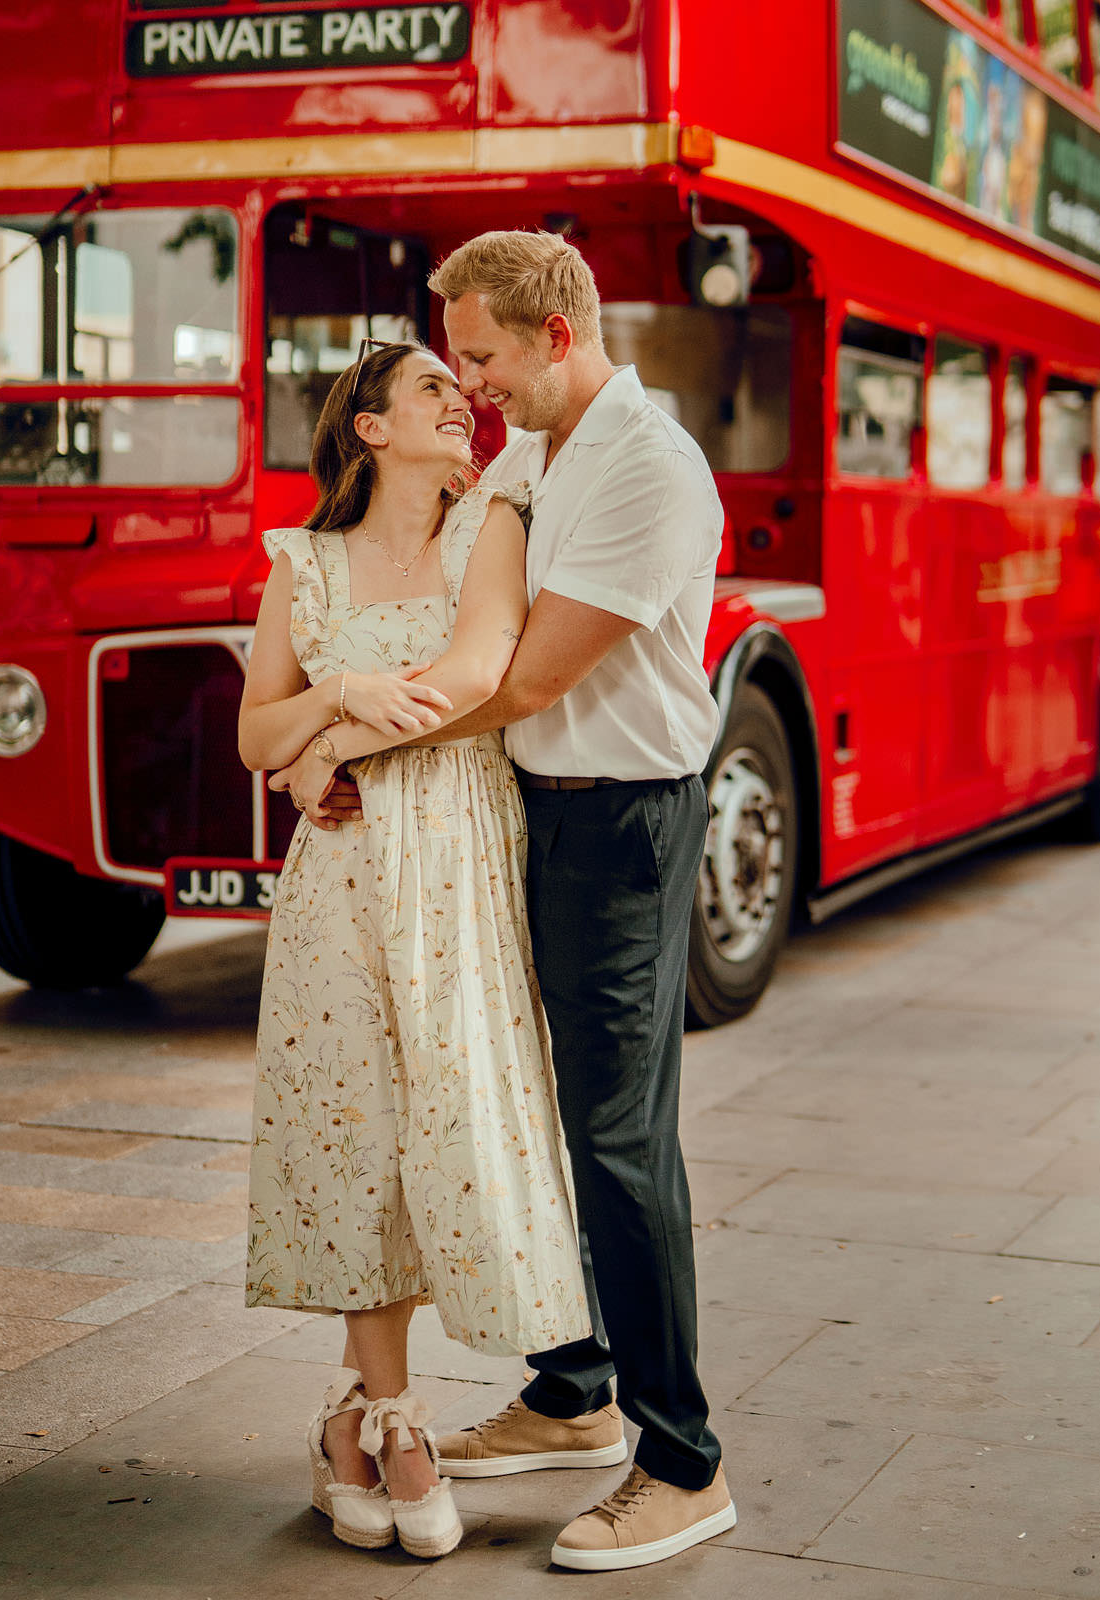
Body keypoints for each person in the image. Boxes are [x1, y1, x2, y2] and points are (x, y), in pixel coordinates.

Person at [276, 230, 737, 1573]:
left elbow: (523, 679)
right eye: (453, 363)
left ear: (554, 335)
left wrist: (330, 748)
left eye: (480, 355)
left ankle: (681, 1460)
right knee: (514, 1102)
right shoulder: (542, 452)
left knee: (612, 1137)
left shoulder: (647, 471)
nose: (469, 384)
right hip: (533, 815)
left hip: (619, 824)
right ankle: (572, 1391)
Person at [239, 338, 591, 1562]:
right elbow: (253, 730)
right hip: (338, 879)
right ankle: (391, 1421)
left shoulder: (488, 518)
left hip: (455, 857)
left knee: (439, 1123)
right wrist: (330, 704)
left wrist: (329, 750)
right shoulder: (306, 561)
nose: (463, 399)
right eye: (432, 387)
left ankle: (351, 1417)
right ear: (370, 427)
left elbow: (475, 669)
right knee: (356, 1127)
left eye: (465, 382)